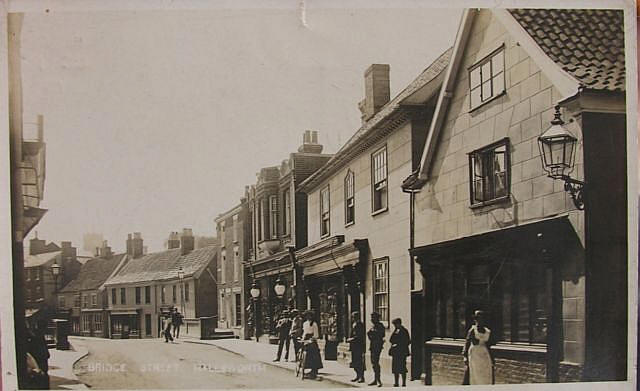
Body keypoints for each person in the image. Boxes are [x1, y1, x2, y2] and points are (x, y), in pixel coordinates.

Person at [462, 310, 494, 385]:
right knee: (475, 374)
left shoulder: (487, 331)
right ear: (475, 320)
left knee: (486, 373)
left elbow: (489, 345)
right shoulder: (473, 330)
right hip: (474, 354)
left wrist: (492, 358)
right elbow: (467, 343)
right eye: (478, 319)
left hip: (484, 353)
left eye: (482, 319)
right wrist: (465, 356)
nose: (480, 321)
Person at [389, 318, 411, 387]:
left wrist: (398, 344)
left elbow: (408, 341)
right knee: (395, 368)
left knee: (402, 367)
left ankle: (404, 383)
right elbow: (391, 339)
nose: (395, 326)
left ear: (399, 323)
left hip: (401, 352)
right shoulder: (396, 330)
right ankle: (396, 382)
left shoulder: (404, 331)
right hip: (396, 352)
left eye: (395, 324)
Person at [302, 310, 323, 379]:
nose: (308, 317)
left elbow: (316, 334)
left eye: (309, 316)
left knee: (314, 354)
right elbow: (304, 332)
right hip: (306, 339)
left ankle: (314, 369)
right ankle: (307, 367)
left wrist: (313, 339)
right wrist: (303, 338)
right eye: (307, 316)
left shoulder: (314, 324)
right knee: (306, 353)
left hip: (312, 340)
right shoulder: (305, 323)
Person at [346, 311, 365, 383]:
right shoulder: (354, 324)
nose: (352, 318)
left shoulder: (360, 324)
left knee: (359, 362)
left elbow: (359, 336)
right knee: (354, 362)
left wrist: (351, 339)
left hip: (358, 346)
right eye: (352, 317)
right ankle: (357, 376)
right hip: (354, 346)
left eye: (354, 317)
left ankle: (361, 377)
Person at [367, 312, 385, 387]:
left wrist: (372, 334)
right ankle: (375, 379)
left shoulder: (380, 326)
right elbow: (369, 334)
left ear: (376, 318)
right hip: (373, 346)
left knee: (376, 363)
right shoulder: (373, 326)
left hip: (377, 346)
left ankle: (378, 380)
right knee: (373, 363)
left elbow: (381, 335)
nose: (371, 319)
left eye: (373, 318)